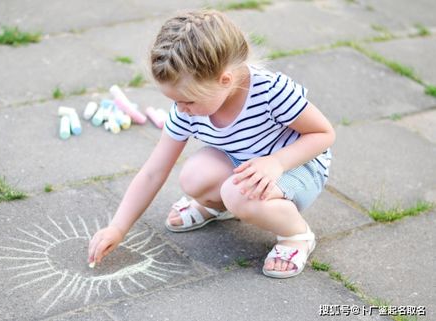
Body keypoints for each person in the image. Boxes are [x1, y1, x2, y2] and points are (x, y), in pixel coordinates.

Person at [88, 9, 335, 278]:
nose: (181, 109)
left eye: (189, 101)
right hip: (245, 165)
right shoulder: (187, 109)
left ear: (225, 80)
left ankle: (296, 235)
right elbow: (153, 171)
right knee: (194, 177)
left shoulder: (270, 91)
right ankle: (217, 208)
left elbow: (323, 134)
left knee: (237, 193)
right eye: (175, 101)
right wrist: (117, 227)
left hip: (298, 166)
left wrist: (276, 162)